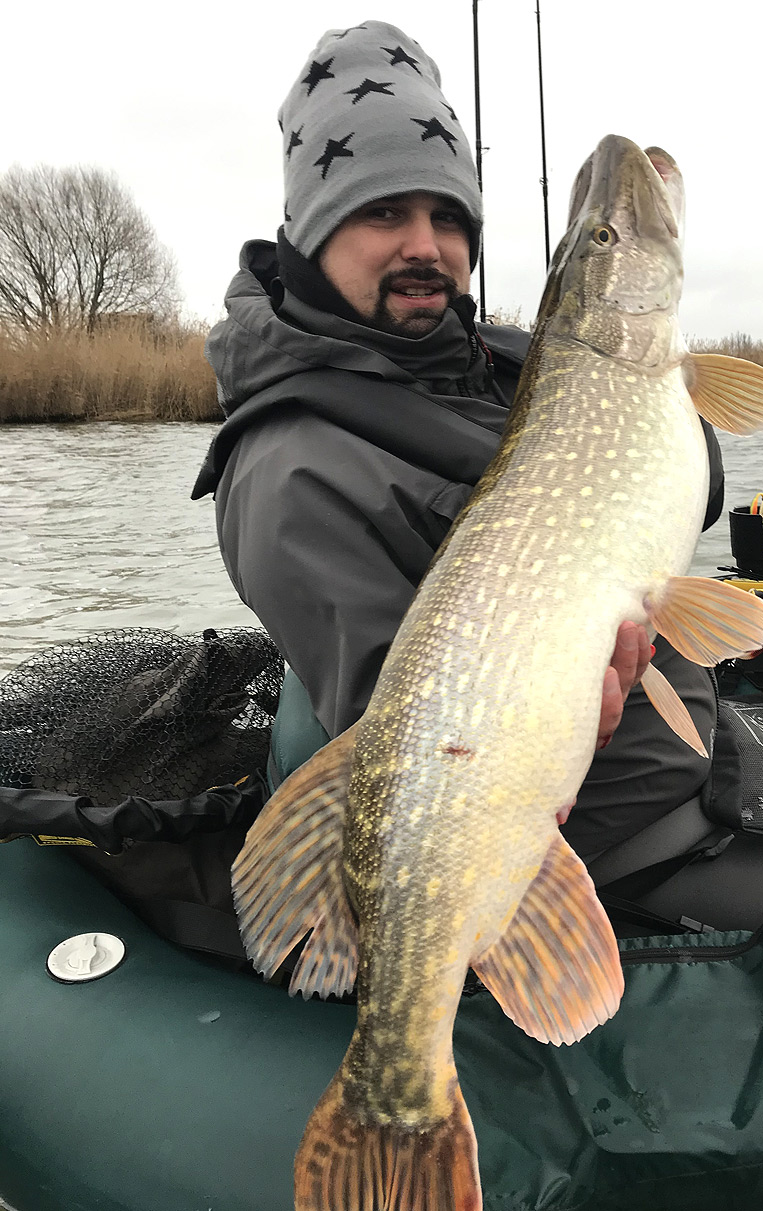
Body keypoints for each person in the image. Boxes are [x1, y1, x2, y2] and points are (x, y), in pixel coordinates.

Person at [192, 20, 725, 866]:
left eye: (448, 215)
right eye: (383, 211)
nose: (424, 246)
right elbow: (415, 791)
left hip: (683, 793)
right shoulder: (289, 469)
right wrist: (564, 714)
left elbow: (680, 491)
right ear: (310, 228)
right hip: (545, 860)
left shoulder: (509, 357)